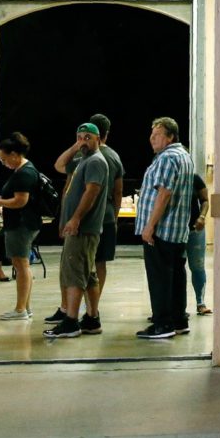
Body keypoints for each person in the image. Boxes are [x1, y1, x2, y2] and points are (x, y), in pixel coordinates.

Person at [44, 123, 109, 339]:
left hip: (83, 228)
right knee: (88, 275)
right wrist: (76, 146)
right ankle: (92, 318)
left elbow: (91, 192)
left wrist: (75, 218)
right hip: (79, 227)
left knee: (73, 274)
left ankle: (71, 321)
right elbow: (59, 165)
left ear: (98, 139)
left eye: (88, 137)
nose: (83, 141)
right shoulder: (83, 160)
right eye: (80, 137)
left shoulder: (96, 162)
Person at [135, 117, 196, 339]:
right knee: (176, 276)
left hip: (163, 230)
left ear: (171, 136)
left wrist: (150, 225)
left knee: (159, 277)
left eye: (158, 134)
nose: (152, 138)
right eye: (151, 134)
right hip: (177, 230)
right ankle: (179, 320)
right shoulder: (184, 156)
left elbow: (164, 193)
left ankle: (162, 324)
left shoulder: (168, 158)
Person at [0, 132, 42, 321]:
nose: (4, 163)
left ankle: (20, 309)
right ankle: (25, 308)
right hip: (21, 223)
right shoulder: (22, 170)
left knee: (21, 265)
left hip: (21, 225)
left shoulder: (25, 173)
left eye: (4, 159)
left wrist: (0, 202)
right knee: (22, 265)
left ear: (14, 154)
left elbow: (21, 201)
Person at [89, 113, 125, 315]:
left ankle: (78, 303)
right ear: (107, 134)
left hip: (86, 217)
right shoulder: (113, 156)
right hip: (108, 215)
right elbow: (118, 191)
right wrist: (116, 215)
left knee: (82, 261)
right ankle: (95, 303)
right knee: (100, 262)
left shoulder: (83, 155)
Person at [188, 173, 212, 315]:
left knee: (197, 266)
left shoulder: (194, 178)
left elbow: (205, 200)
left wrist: (202, 217)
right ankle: (172, 308)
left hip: (194, 229)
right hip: (174, 231)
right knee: (174, 268)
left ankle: (200, 303)